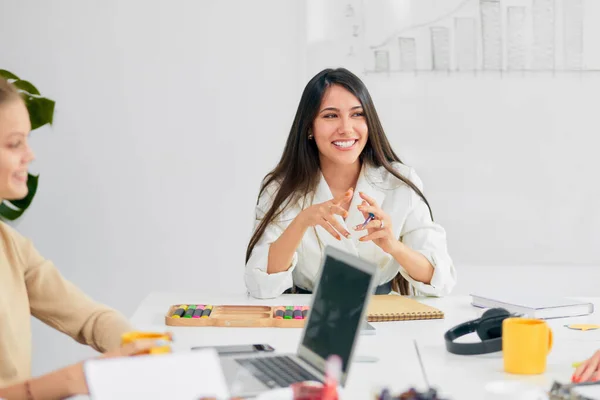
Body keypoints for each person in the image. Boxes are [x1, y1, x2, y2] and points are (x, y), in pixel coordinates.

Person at [244, 68, 456, 299]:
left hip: (383, 314)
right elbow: (260, 284)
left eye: (357, 114)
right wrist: (301, 222)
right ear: (309, 128)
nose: (346, 128)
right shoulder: (281, 188)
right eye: (330, 115)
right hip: (305, 314)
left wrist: (393, 245)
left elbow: (441, 281)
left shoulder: (400, 182)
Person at [0, 77, 144, 398]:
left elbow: (89, 318)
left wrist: (140, 348)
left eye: (27, 140)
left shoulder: (11, 246)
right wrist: (76, 379)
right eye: (14, 144)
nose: (30, 155)